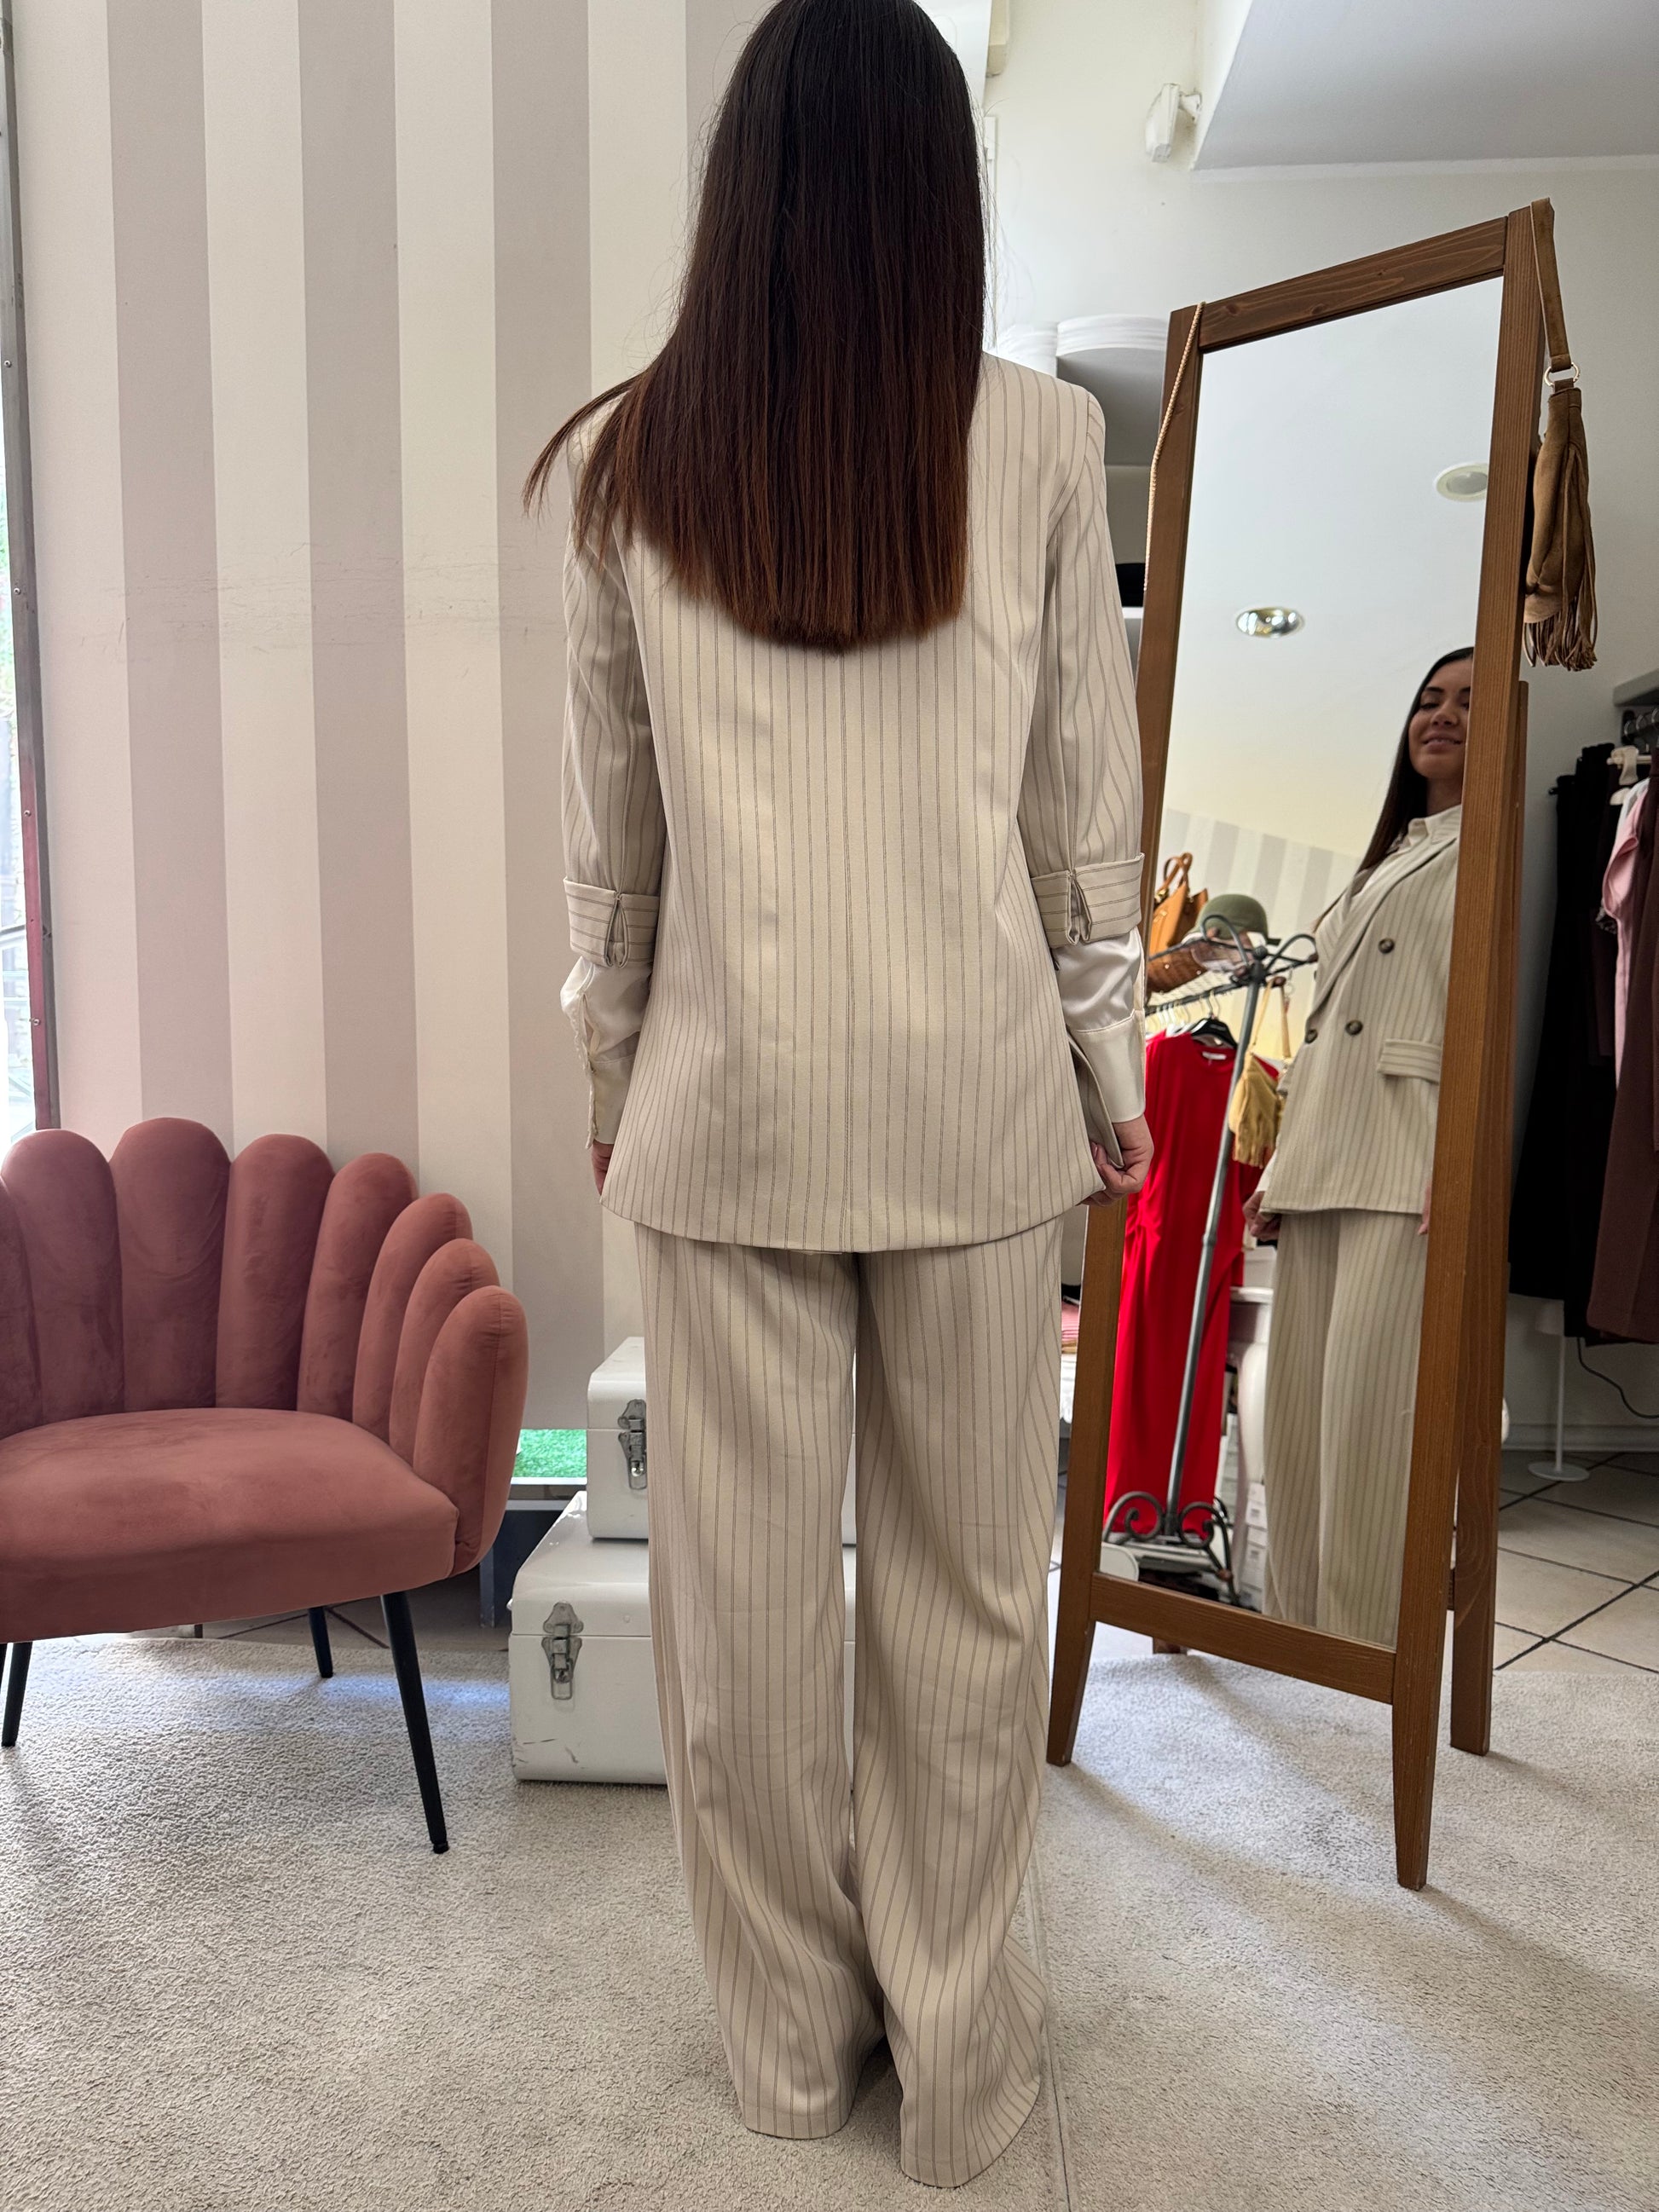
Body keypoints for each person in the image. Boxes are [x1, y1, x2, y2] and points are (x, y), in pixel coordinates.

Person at [525, 0, 1150, 2186]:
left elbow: (613, 852)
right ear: (934, 190)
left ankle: (790, 2050)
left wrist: (614, 1065)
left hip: (727, 1110)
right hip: (975, 1108)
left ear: (748, 186)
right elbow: (1082, 812)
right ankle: (962, 2070)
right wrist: (1112, 1063)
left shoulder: (637, 456)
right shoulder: (1046, 439)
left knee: (746, 1619)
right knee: (974, 1603)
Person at [1244, 648, 1472, 1645]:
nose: (1441, 715)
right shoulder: (1391, 855)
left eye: (1467, 701)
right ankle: (1294, 1634)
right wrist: (1281, 1165)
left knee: (1371, 1426)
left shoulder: (1488, 851)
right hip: (1325, 1156)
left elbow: (1485, 1027)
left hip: (1406, 1160)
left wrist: (1459, 1166)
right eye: (1428, 699)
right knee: (1297, 1421)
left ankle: (1367, 1652)